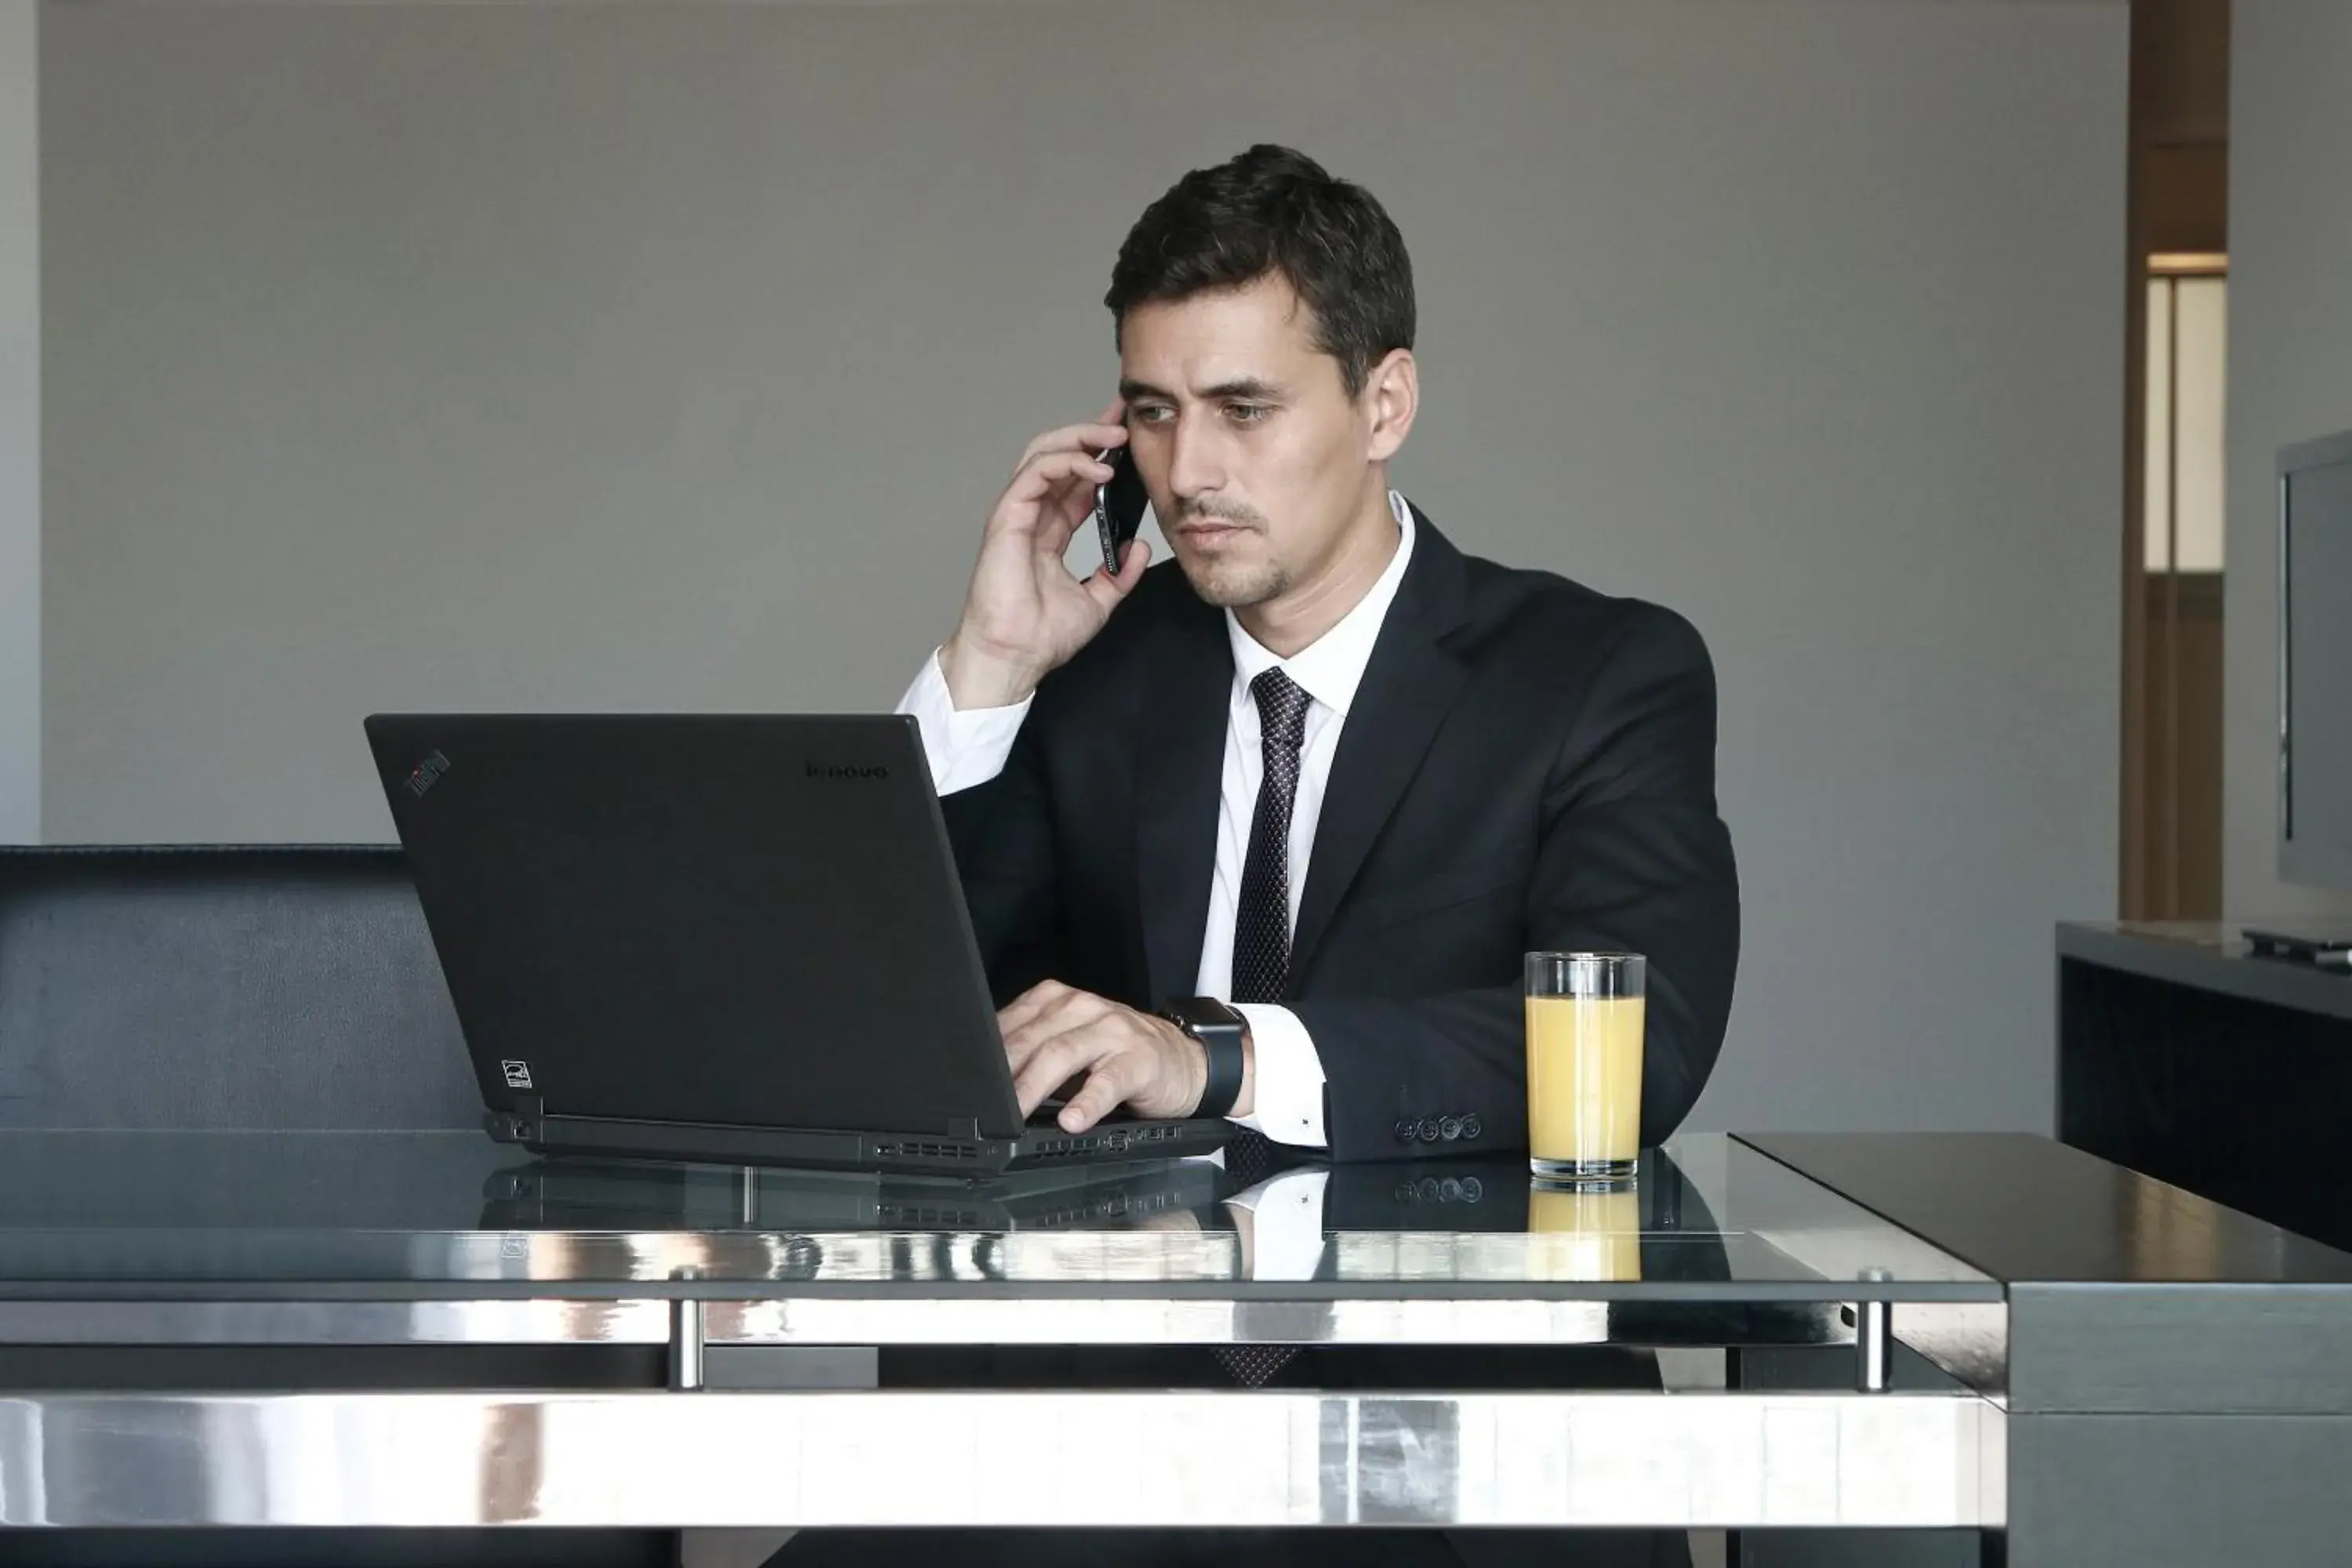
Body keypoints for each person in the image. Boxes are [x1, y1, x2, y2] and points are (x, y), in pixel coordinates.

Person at [779, 143, 1740, 1568]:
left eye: (1245, 409)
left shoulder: (1598, 673)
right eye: (1156, 415)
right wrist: (986, 669)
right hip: (1100, 1427)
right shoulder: (1100, 672)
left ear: (1386, 401)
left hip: (1454, 1429)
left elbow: (1636, 1042)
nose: (1190, 474)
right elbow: (875, 1014)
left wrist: (1214, 1058)